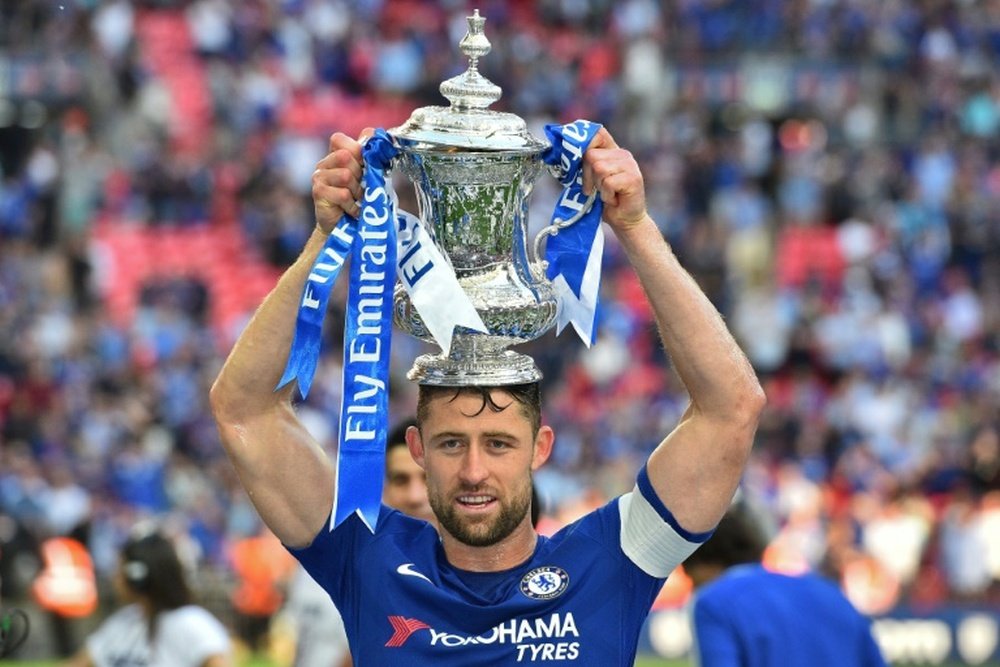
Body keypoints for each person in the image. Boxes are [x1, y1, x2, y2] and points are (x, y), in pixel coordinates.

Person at [210, 127, 766, 664]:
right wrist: (325, 238)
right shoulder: (367, 557)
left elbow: (732, 410)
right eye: (452, 444)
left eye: (499, 444)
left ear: (540, 446)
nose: (474, 471)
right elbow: (245, 411)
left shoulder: (612, 560)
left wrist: (636, 226)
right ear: (418, 449)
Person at [283, 418, 431, 667]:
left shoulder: (461, 577)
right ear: (383, 488)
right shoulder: (328, 559)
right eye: (401, 480)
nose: (415, 496)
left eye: (426, 478)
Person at [683, 505, 887, 667]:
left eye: (691, 576)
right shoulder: (833, 595)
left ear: (702, 564)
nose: (693, 587)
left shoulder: (713, 603)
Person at [63, 529, 232, 667]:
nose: (115, 579)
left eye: (119, 571)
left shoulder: (191, 623)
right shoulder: (123, 622)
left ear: (137, 576)